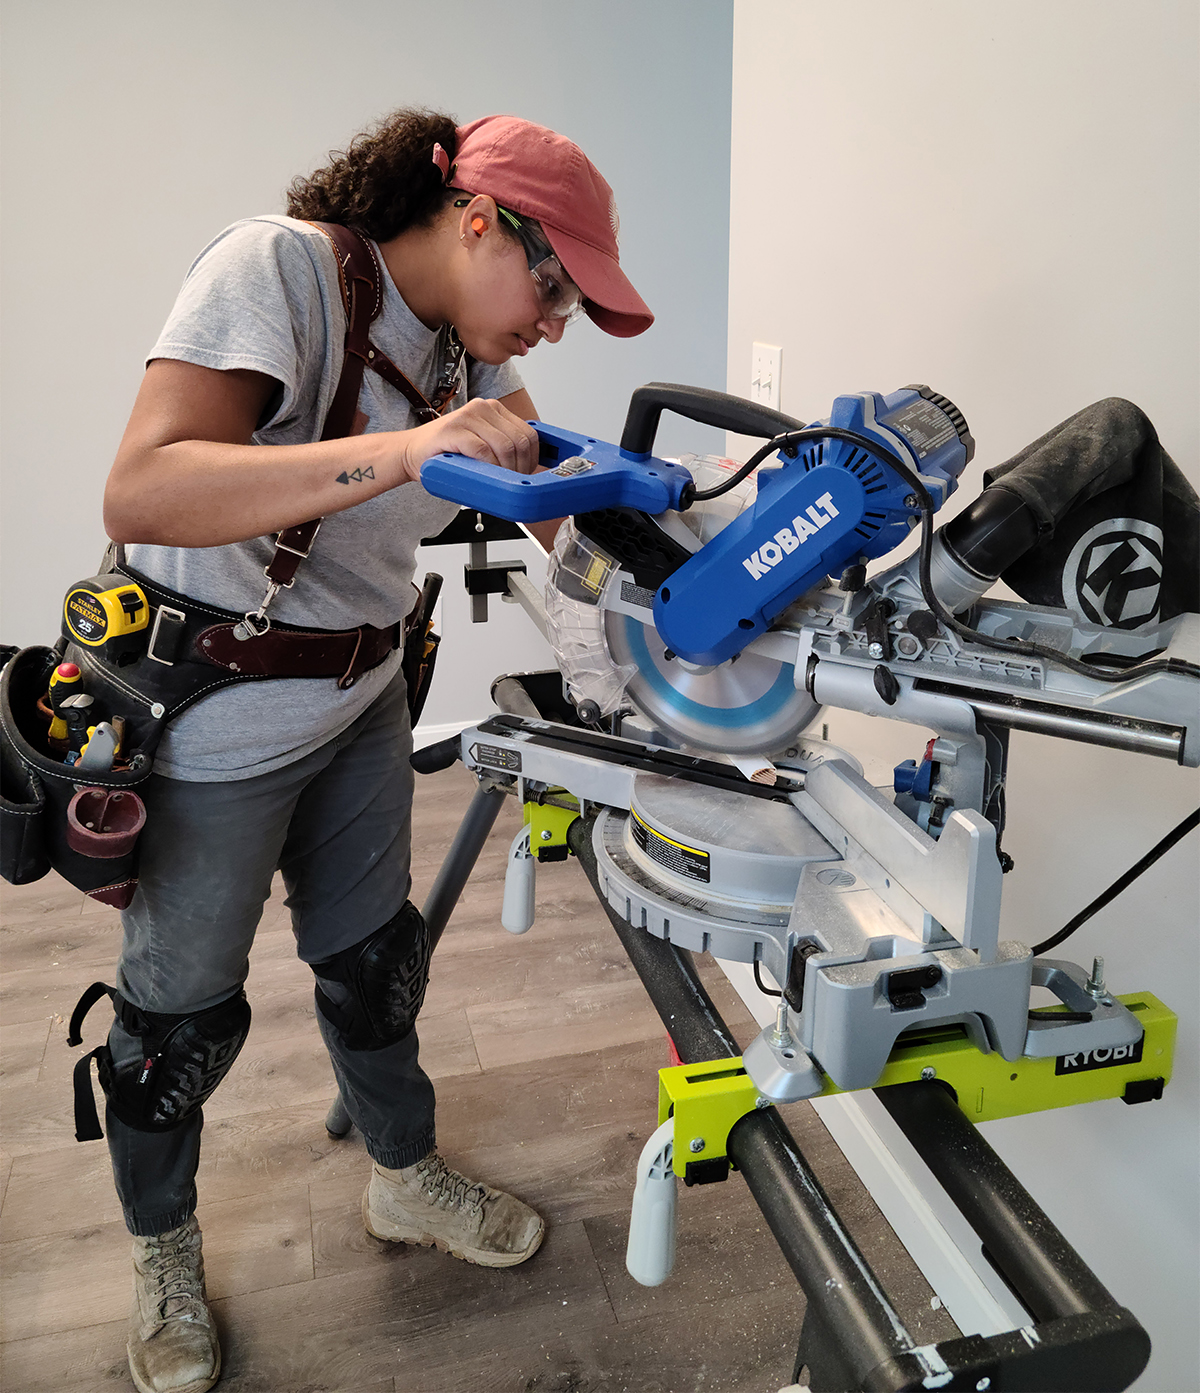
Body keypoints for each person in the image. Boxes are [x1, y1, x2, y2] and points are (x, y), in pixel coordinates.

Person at [93, 108, 653, 1393]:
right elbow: (143, 487)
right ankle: (161, 1249)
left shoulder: (469, 353)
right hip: (215, 731)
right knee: (173, 1023)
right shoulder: (279, 269)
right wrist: (406, 450)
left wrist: (676, 545)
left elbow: (557, 505)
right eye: (555, 284)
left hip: (358, 708)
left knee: (372, 968)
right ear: (477, 222)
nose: (556, 322)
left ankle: (403, 1179)